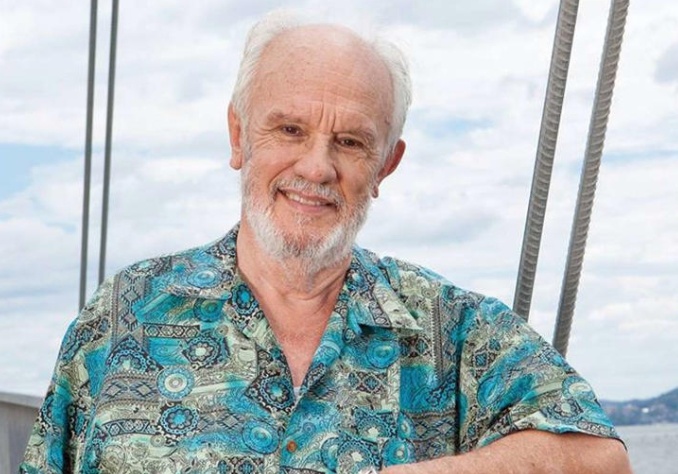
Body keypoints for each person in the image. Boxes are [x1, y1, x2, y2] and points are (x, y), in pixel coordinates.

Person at [21, 11, 631, 474]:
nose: (316, 167)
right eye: (290, 129)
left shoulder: (454, 329)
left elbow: (601, 459)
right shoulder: (124, 313)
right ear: (238, 136)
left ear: (386, 165)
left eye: (351, 142)